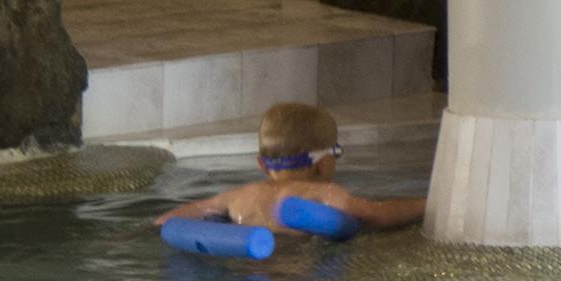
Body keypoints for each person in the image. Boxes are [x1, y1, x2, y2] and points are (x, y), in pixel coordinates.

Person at [161, 100, 423, 235]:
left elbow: (166, 220)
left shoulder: (238, 197)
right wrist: (428, 204)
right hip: (301, 280)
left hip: (250, 270)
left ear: (262, 165)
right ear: (323, 164)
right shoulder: (324, 195)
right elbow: (380, 214)